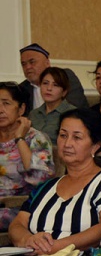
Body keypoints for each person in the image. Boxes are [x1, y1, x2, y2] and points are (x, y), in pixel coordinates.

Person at [9, 109, 101, 255]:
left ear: (95, 146)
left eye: (77, 137)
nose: (67, 144)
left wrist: (57, 247)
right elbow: (18, 224)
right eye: (63, 135)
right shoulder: (46, 187)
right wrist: (28, 240)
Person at [0, 83, 54, 230]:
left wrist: (20, 139)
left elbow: (40, 180)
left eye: (6, 103)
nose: (0, 110)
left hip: (18, 208)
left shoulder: (36, 139)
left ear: (21, 109)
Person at [18, 43, 88, 113]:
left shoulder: (64, 76)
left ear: (47, 63)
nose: (27, 67)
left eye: (32, 62)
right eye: (24, 64)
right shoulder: (22, 88)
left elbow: (74, 109)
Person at [28, 67, 77, 144]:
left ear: (64, 92)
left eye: (55, 85)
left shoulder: (73, 114)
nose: (49, 88)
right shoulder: (33, 114)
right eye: (45, 83)